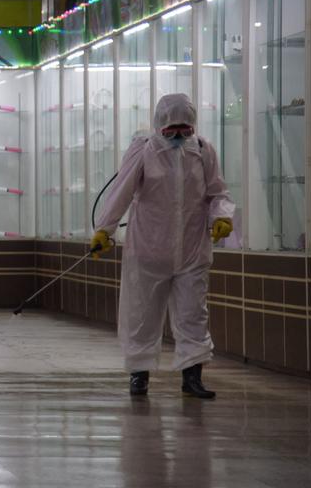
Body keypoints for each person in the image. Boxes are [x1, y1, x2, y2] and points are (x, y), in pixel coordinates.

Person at [92, 93, 234, 399]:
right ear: (159, 126)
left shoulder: (204, 150)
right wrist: (105, 229)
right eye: (171, 131)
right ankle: (139, 375)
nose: (178, 137)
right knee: (141, 314)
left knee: (193, 314)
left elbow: (217, 192)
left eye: (185, 130)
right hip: (148, 249)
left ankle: (192, 376)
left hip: (192, 249)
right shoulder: (143, 150)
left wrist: (222, 216)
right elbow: (121, 192)